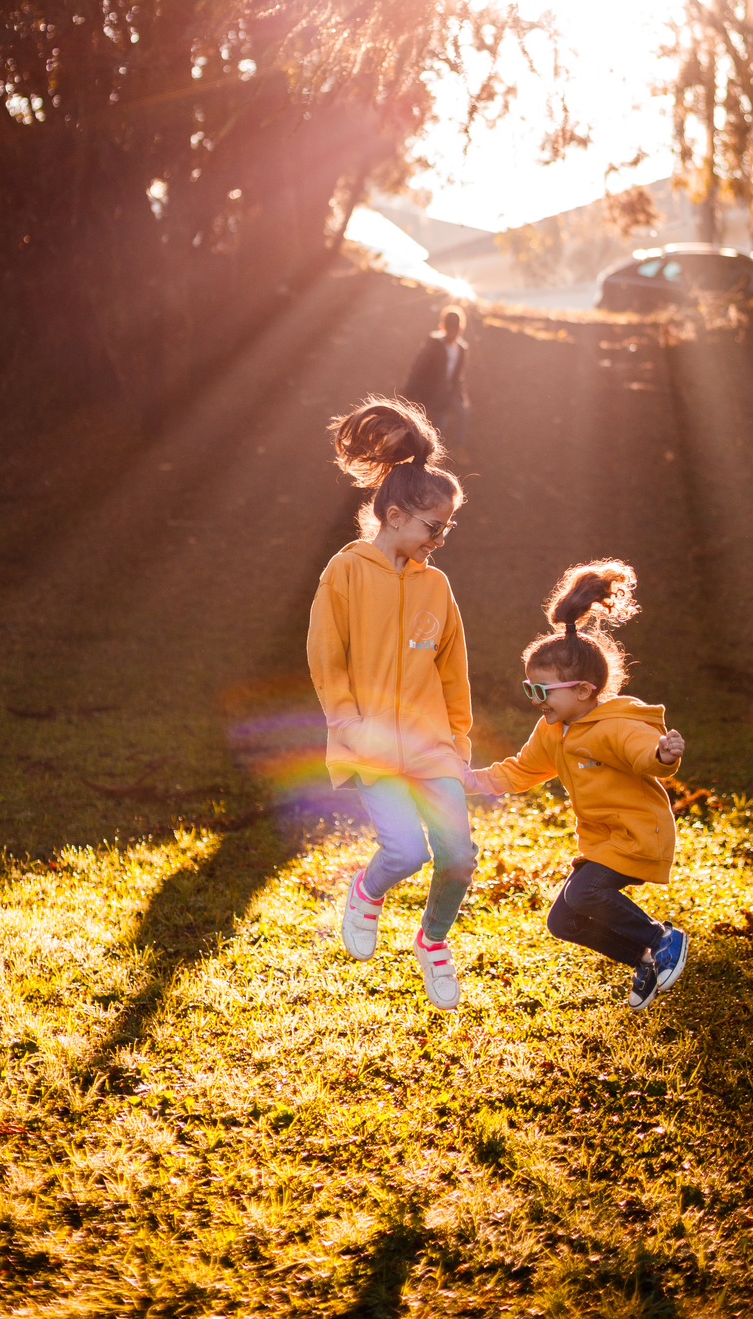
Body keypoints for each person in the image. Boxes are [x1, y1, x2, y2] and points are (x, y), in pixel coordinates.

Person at [307, 396, 476, 1010]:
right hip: (371, 743)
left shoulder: (437, 584)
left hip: (433, 746)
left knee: (458, 857)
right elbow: (327, 657)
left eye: (447, 528)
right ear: (397, 515)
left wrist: (459, 741)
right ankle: (367, 891)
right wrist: (346, 724)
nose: (441, 538)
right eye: (435, 527)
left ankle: (432, 942)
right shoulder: (345, 572)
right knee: (405, 851)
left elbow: (452, 666)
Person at [462, 559, 689, 1013]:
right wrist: (469, 781)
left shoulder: (614, 725)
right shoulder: (554, 731)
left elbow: (642, 750)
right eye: (530, 690)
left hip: (638, 833)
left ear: (584, 691)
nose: (535, 701)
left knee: (584, 894)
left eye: (543, 692)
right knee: (564, 920)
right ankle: (643, 958)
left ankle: (662, 938)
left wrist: (663, 754)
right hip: (603, 840)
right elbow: (521, 771)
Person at [404, 306, 470, 453]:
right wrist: (411, 390)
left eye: (455, 329)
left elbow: (458, 375)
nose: (452, 333)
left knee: (463, 412)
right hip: (429, 392)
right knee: (437, 421)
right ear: (443, 326)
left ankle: (458, 447)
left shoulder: (461, 349)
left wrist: (459, 394)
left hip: (448, 392)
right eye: (450, 328)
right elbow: (417, 367)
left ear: (460, 329)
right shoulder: (434, 344)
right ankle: (425, 450)